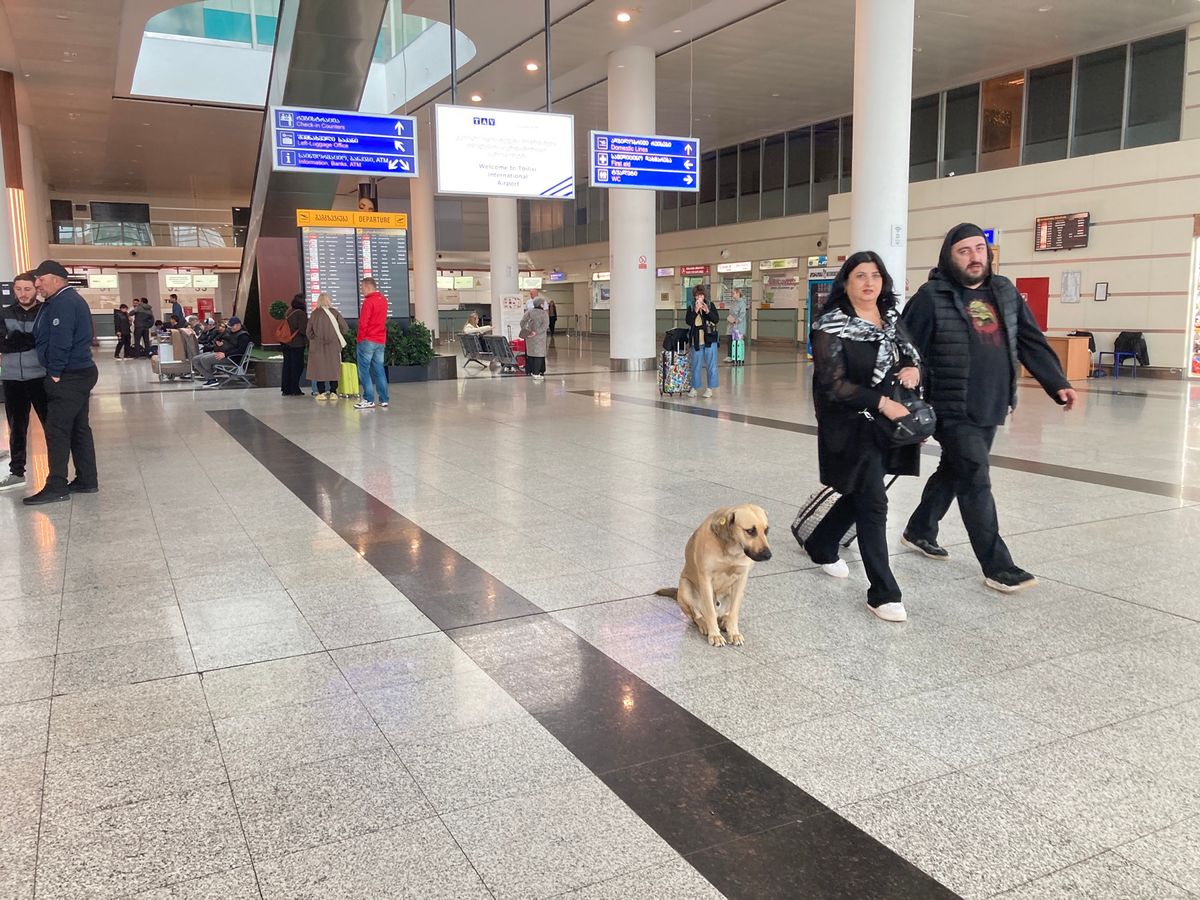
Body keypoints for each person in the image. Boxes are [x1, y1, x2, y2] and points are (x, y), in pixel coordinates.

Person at [901, 223, 1077, 593]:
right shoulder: (932, 296)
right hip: (950, 406)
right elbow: (904, 351)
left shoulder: (1004, 292)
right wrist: (907, 410)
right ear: (949, 257)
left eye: (979, 248)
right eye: (964, 250)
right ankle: (998, 565)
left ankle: (920, 529)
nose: (974, 256)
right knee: (975, 479)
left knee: (956, 470)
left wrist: (1057, 382)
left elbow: (1030, 339)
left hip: (992, 403)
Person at [801, 252, 921, 623]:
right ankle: (883, 592)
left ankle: (822, 543)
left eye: (875, 276)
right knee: (874, 502)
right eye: (859, 276)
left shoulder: (891, 320)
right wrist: (881, 401)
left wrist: (913, 368)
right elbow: (833, 384)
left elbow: (908, 354)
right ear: (846, 283)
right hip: (850, 423)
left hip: (886, 423)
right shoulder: (830, 325)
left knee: (862, 490)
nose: (869, 283)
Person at [25, 260, 98, 505]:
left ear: (56, 279)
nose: (37, 285)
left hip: (69, 375)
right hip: (78, 372)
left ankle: (56, 486)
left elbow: (61, 339)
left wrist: (55, 371)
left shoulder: (64, 302)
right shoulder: (62, 301)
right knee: (78, 428)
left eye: (41, 280)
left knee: (57, 430)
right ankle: (87, 480)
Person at [0, 272, 49, 492]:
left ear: (36, 289)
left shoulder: (45, 312)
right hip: (12, 378)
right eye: (18, 289)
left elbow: (45, 341)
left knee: (51, 426)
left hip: (40, 377)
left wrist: (19, 340)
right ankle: (17, 472)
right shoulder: (5, 313)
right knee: (17, 427)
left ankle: (57, 472)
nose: (22, 294)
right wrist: (25, 342)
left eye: (27, 289)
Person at [355, 277, 389, 411]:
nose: (361, 290)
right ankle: (384, 399)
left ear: (368, 287)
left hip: (368, 340)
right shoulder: (383, 300)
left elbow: (363, 323)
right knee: (379, 369)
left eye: (362, 287)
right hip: (380, 340)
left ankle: (369, 399)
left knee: (364, 370)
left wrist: (360, 339)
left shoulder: (368, 302)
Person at [305, 293, 347, 399]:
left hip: (317, 346)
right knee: (333, 368)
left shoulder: (314, 314)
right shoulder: (335, 313)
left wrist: (314, 338)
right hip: (333, 346)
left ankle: (321, 392)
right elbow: (345, 328)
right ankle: (333, 392)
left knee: (319, 369)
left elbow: (308, 332)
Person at [685, 285, 719, 399]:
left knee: (711, 365)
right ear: (694, 296)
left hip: (710, 339)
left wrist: (707, 311)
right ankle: (694, 388)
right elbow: (688, 321)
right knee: (695, 365)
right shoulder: (690, 307)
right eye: (697, 296)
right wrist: (695, 311)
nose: (700, 298)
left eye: (701, 295)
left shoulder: (709, 304)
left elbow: (716, 319)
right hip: (697, 340)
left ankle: (710, 388)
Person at [196, 316, 250, 388]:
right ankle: (210, 378)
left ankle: (211, 378)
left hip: (231, 357)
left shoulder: (243, 336)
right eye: (229, 326)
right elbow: (218, 339)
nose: (230, 328)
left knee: (204, 359)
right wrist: (219, 343)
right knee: (195, 360)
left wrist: (225, 354)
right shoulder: (229, 332)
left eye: (232, 326)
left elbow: (241, 351)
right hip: (221, 352)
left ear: (238, 325)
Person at [280, 294, 308, 397]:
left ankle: (286, 389)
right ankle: (294, 388)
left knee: (287, 365)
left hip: (285, 342)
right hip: (296, 344)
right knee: (297, 366)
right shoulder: (301, 314)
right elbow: (303, 329)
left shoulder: (289, 311)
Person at [520, 298, 550, 382]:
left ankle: (531, 371)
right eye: (543, 303)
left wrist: (528, 332)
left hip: (529, 337)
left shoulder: (529, 312)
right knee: (539, 355)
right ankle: (537, 373)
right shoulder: (544, 313)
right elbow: (545, 325)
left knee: (531, 354)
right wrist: (536, 332)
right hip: (539, 338)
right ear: (540, 304)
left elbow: (522, 322)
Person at [725, 288, 747, 362]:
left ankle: (737, 356)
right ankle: (729, 355)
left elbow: (742, 313)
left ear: (738, 293)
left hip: (738, 325)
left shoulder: (742, 303)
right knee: (730, 338)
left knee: (737, 340)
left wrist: (737, 320)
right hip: (731, 323)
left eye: (733, 293)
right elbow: (731, 312)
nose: (732, 294)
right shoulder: (733, 303)